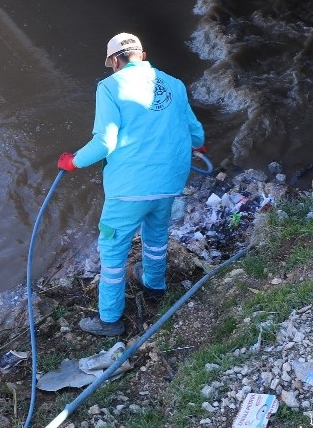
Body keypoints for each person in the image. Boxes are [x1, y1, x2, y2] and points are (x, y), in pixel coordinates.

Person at [58, 32, 205, 336]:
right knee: (155, 235)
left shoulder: (110, 87)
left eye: (111, 63)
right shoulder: (174, 84)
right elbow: (197, 137)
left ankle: (109, 319)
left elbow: (105, 141)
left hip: (129, 191)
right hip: (168, 185)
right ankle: (154, 286)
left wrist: (73, 162)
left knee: (112, 252)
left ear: (114, 61)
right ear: (142, 53)